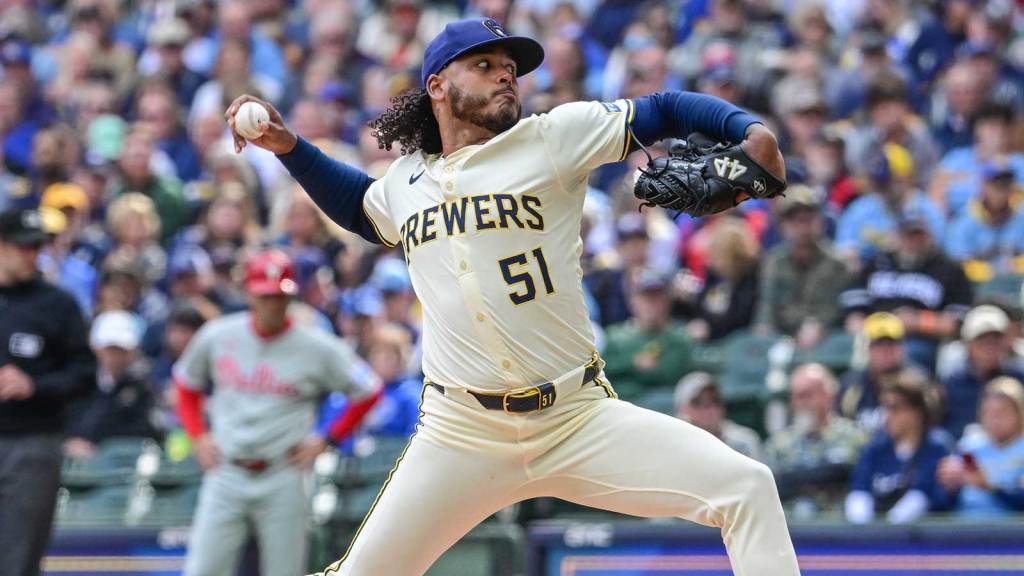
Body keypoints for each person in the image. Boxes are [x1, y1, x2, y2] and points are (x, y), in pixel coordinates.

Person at [227, 17, 799, 575]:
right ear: (438, 87)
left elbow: (666, 108)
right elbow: (359, 205)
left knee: (747, 487)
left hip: (576, 419)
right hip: (460, 433)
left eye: (510, 68)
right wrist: (288, 146)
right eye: (485, 65)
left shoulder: (551, 138)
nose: (506, 76)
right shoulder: (405, 182)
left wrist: (749, 130)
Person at [173, 250, 381, 576]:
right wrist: (198, 437)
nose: (273, 303)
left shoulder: (316, 346)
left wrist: (326, 438)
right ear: (250, 294)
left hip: (283, 474)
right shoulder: (218, 335)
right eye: (265, 295)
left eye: (279, 296)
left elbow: (368, 389)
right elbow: (185, 385)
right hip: (226, 471)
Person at [0, 208, 96, 576]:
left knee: (18, 559)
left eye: (37, 246)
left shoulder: (56, 304)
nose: (31, 254)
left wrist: (34, 386)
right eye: (23, 246)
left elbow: (85, 374)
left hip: (32, 442)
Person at [841, 211, 972, 371]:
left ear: (928, 237)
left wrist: (918, 321)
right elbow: (853, 312)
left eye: (918, 235)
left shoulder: (947, 268)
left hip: (918, 339)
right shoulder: (876, 263)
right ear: (896, 237)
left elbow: (956, 324)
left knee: (910, 355)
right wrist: (867, 327)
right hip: (873, 336)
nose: (913, 242)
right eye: (908, 236)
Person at [845, 370, 953, 525]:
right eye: (885, 407)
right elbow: (859, 491)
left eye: (895, 408)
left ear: (917, 412)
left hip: (921, 541)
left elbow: (925, 497)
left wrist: (888, 532)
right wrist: (863, 531)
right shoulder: (875, 448)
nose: (887, 416)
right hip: (872, 538)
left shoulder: (937, 446)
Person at [754, 186, 849, 347]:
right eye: (795, 220)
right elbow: (766, 309)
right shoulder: (774, 262)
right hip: (780, 339)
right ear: (782, 226)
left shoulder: (837, 262)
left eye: (809, 218)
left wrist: (817, 326)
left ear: (820, 221)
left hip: (825, 339)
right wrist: (763, 332)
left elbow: (835, 309)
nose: (803, 226)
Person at [764, 363, 866, 513]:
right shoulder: (778, 444)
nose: (799, 403)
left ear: (830, 395)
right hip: (790, 528)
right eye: (794, 396)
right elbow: (769, 488)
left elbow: (853, 477)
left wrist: (792, 480)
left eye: (806, 395)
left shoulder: (855, 436)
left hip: (839, 528)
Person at [64, 310, 160, 459]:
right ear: (96, 348)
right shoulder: (79, 382)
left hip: (122, 465)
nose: (115, 357)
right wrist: (70, 441)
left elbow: (145, 429)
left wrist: (98, 444)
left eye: (121, 350)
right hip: (75, 464)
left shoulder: (142, 387)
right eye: (110, 349)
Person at [602, 269, 695, 401]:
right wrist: (632, 363)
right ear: (632, 302)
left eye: (657, 298)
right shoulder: (615, 337)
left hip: (668, 409)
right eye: (645, 298)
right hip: (625, 407)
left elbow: (681, 375)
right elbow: (602, 373)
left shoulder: (680, 339)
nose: (651, 304)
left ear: (667, 301)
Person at [936, 377, 1024, 517]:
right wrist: (950, 486)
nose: (995, 420)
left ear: (1020, 414)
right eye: (988, 413)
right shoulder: (969, 446)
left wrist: (988, 486)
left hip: (1011, 532)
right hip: (964, 527)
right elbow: (941, 503)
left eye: (1002, 413)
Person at [941, 305, 1024, 440]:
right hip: (965, 454)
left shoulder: (1020, 378)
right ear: (968, 344)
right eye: (982, 341)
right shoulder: (952, 383)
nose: (989, 348)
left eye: (996, 340)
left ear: (1006, 344)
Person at [838, 312, 925, 435]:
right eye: (878, 344)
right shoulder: (851, 386)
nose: (885, 351)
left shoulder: (918, 384)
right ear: (866, 348)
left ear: (901, 347)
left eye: (891, 344)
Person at [674, 371, 761, 459]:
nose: (709, 408)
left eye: (715, 400)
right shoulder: (673, 443)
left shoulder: (743, 441)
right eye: (698, 402)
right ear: (682, 409)